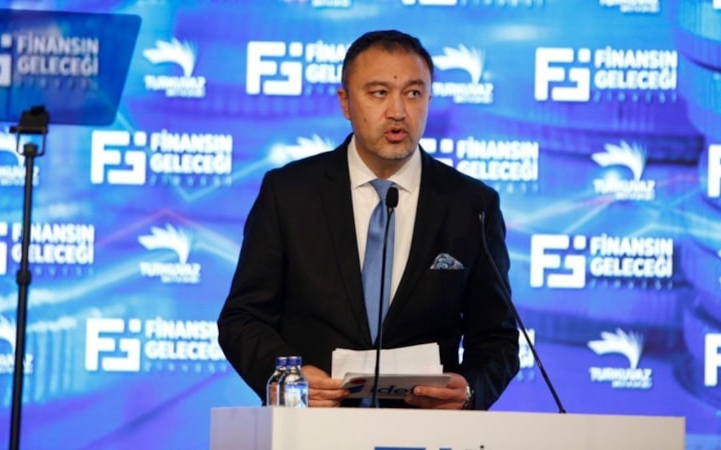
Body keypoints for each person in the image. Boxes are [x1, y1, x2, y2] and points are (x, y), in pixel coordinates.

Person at [217, 29, 519, 410]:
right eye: (379, 93)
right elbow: (242, 318)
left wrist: (470, 390)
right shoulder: (290, 194)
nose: (398, 111)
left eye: (414, 93)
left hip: (424, 431)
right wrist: (289, 379)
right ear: (345, 102)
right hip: (313, 427)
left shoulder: (471, 205)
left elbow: (497, 338)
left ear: (429, 99)